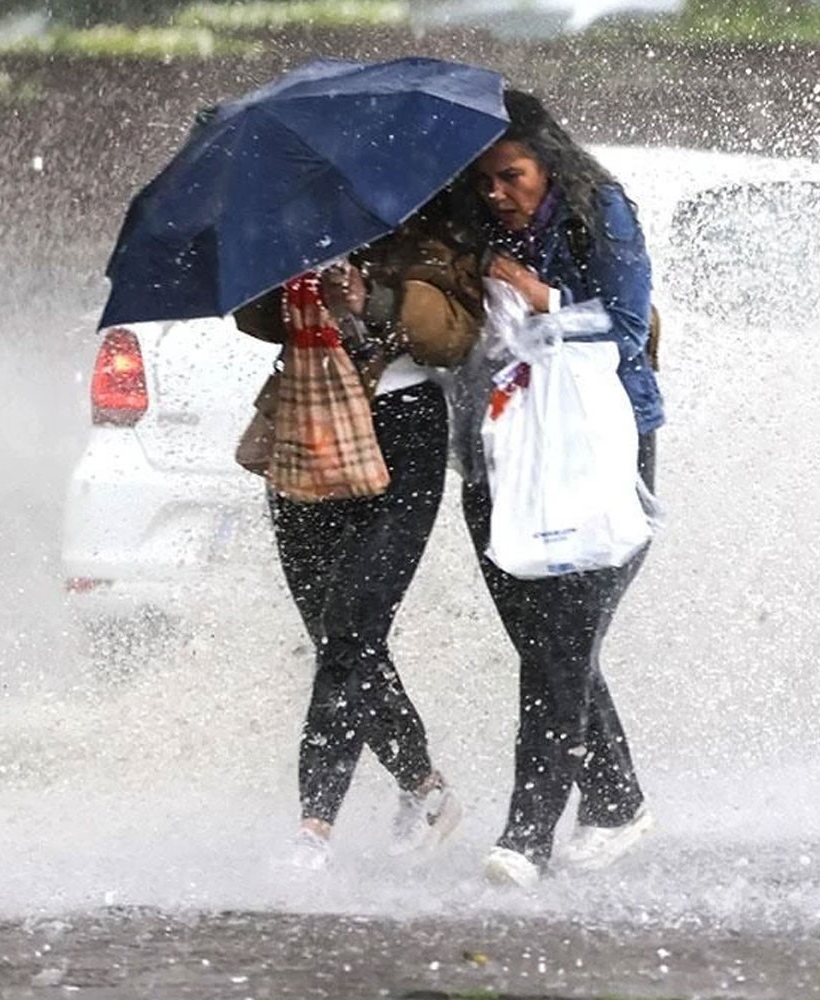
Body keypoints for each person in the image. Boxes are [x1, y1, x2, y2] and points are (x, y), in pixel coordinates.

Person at [453, 89, 664, 887]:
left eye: (511, 177)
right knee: (546, 644)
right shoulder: (469, 234)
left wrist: (542, 301)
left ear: (549, 163)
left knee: (563, 643)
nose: (498, 196)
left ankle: (526, 835)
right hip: (499, 451)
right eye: (483, 183)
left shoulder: (598, 209)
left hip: (598, 446)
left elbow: (627, 317)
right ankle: (615, 801)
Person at [233, 202, 482, 870]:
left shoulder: (434, 226)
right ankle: (426, 787)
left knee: (351, 631)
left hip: (404, 431)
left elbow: (453, 338)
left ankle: (314, 827)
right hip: (306, 419)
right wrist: (279, 268)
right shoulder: (297, 221)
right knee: (334, 640)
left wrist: (370, 297)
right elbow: (252, 319)